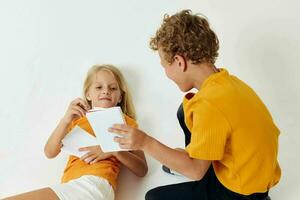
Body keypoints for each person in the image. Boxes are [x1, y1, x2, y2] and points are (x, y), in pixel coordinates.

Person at [109, 10, 280, 200]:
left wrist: (144, 142)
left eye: (165, 66)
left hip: (241, 192)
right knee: (185, 111)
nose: (166, 73)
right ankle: (195, 159)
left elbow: (196, 171)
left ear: (179, 62)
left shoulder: (209, 105)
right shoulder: (228, 82)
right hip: (254, 176)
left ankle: (192, 165)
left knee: (153, 197)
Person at [4, 64, 148, 200]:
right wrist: (66, 119)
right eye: (98, 87)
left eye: (113, 88)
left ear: (120, 97)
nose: (106, 91)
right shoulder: (77, 120)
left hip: (95, 183)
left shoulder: (126, 123)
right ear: (88, 94)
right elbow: (50, 152)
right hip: (71, 184)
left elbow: (142, 170)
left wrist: (113, 151)